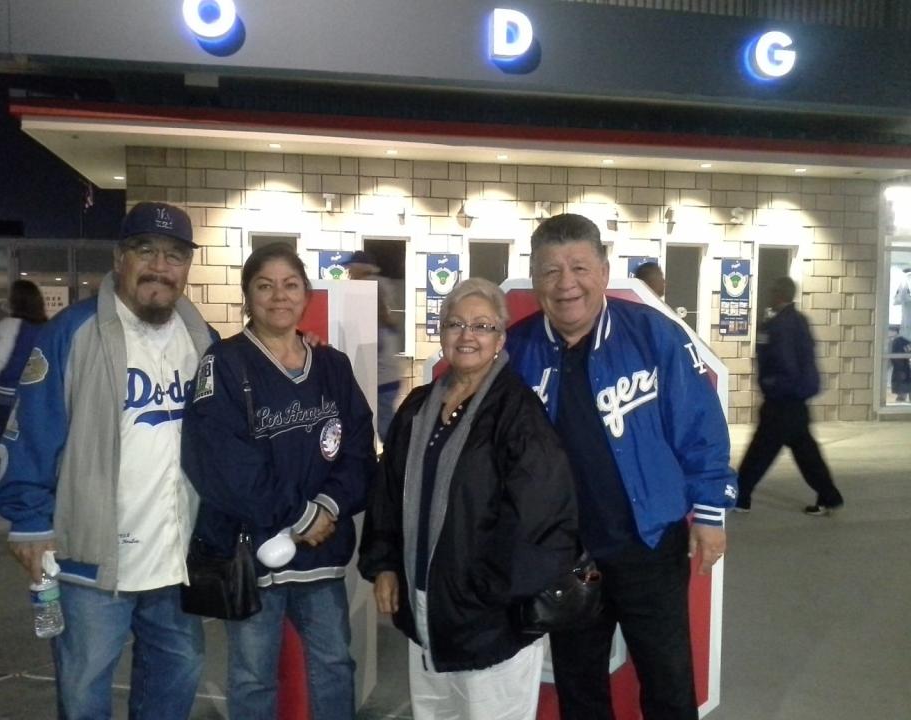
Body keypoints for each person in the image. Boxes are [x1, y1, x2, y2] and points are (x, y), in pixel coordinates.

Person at [0, 202, 216, 720]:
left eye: (174, 255)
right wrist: (28, 519)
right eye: (145, 251)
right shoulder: (72, 332)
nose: (160, 266)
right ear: (119, 258)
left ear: (187, 267)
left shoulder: (200, 339)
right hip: (89, 561)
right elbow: (31, 431)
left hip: (175, 561)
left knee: (175, 681)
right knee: (85, 690)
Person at [505, 213, 735, 720]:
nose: (567, 284)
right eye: (551, 271)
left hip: (649, 541)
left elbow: (701, 427)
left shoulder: (654, 335)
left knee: (668, 680)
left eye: (580, 267)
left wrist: (711, 515)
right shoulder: (515, 350)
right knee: (579, 684)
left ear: (604, 272)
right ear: (534, 276)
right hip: (563, 551)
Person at [358, 278, 581, 720]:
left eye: (482, 325)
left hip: (489, 619)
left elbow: (539, 520)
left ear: (500, 338)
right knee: (435, 714)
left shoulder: (518, 414)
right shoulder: (419, 407)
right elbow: (388, 491)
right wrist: (384, 563)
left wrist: (484, 593)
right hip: (427, 607)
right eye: (456, 324)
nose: (468, 336)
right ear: (441, 332)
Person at [182, 243, 376, 720]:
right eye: (264, 286)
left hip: (322, 555)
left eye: (290, 285)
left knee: (334, 665)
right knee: (252, 677)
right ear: (247, 296)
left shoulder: (331, 366)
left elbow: (357, 448)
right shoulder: (224, 363)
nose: (278, 296)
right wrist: (299, 515)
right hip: (252, 554)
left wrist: (329, 506)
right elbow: (221, 463)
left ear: (306, 294)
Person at [735, 276, 844, 516]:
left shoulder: (777, 326)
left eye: (771, 292)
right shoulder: (800, 321)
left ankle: (740, 497)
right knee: (807, 454)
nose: (768, 297)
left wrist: (770, 385)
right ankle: (829, 497)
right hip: (797, 402)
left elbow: (783, 362)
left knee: (760, 452)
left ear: (778, 295)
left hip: (781, 402)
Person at [0, 280, 48, 452]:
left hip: (7, 396)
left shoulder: (8, 327)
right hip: (38, 397)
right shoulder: (47, 329)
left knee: (2, 444)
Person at [341, 250, 401, 442]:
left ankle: (397, 464)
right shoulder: (382, 288)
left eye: (351, 269)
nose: (348, 274)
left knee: (383, 428)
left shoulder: (368, 289)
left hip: (379, 377)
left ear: (361, 269)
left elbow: (371, 342)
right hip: (385, 375)